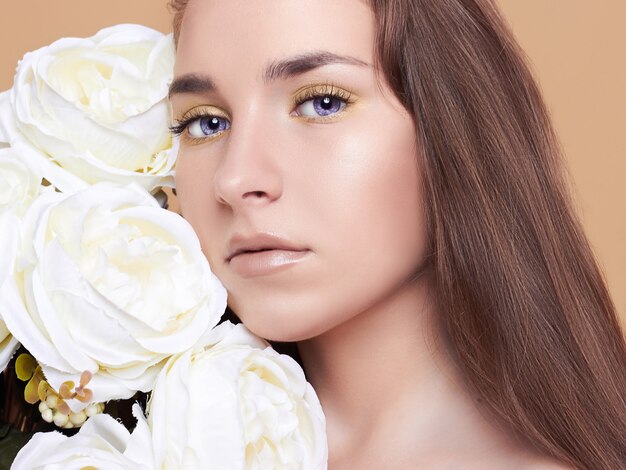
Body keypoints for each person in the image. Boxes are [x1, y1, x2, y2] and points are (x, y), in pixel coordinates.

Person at [167, 0, 626, 468]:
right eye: (206, 123)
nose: (236, 179)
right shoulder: (125, 428)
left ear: (450, 128)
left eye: (322, 103)